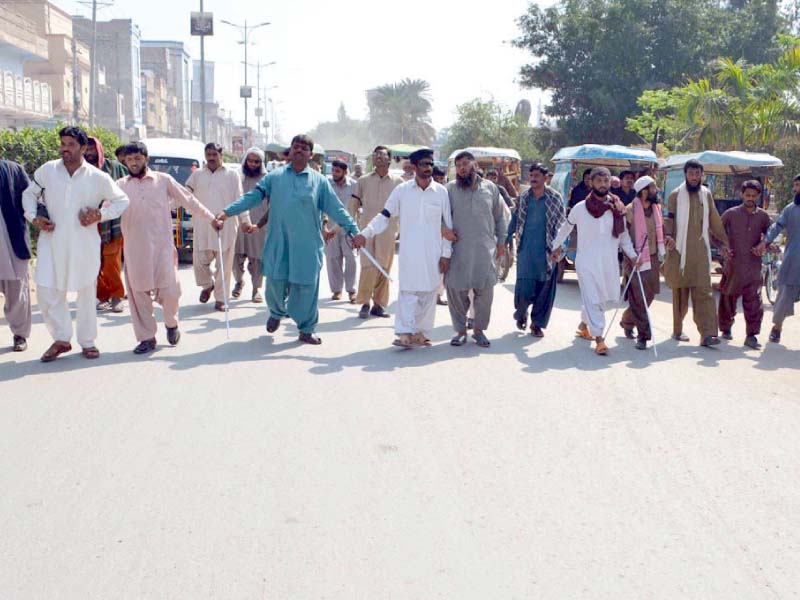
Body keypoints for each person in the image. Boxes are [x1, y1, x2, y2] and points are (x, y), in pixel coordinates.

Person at [218, 134, 359, 345]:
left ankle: (306, 329)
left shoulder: (319, 181)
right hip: (278, 242)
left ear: (311, 155)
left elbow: (336, 208)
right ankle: (276, 313)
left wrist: (353, 230)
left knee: (307, 288)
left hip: (307, 245)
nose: (299, 150)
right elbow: (252, 197)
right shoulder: (274, 177)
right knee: (274, 283)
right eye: (296, 147)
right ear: (290, 151)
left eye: (304, 147)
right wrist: (227, 212)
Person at [22, 126, 129, 362]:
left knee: (85, 291)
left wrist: (100, 214)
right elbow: (29, 194)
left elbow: (122, 200)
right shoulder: (48, 170)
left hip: (84, 243)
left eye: (70, 145)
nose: (65, 149)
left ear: (83, 147)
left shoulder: (97, 176)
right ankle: (61, 338)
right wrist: (34, 217)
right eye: (63, 144)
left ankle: (88, 342)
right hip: (52, 240)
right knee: (48, 290)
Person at [117, 142, 219, 354]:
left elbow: (188, 200)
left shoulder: (163, 181)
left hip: (162, 248)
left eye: (137, 158)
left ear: (146, 158)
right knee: (139, 295)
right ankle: (147, 338)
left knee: (171, 291)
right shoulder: (119, 186)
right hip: (134, 250)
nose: (133, 163)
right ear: (124, 162)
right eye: (129, 160)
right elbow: (106, 208)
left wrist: (211, 218)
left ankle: (171, 324)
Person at [352, 148, 452, 348]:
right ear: (414, 167)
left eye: (431, 164)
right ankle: (405, 333)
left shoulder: (441, 193)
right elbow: (385, 216)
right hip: (409, 252)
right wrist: (365, 233)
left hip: (433, 252)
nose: (429, 168)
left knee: (429, 292)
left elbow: (448, 225)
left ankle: (421, 333)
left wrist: (446, 253)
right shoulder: (402, 191)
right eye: (424, 164)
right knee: (408, 291)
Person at [551, 167, 639, 355]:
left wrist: (632, 256)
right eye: (599, 181)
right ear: (591, 183)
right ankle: (599, 338)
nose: (603, 185)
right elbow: (566, 228)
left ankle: (584, 324)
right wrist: (556, 246)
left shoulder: (617, 208)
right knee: (593, 299)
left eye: (606, 181)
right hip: (586, 262)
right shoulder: (580, 208)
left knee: (601, 298)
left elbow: (623, 237)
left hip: (608, 263)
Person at [663, 159, 730, 347]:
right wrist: (668, 236)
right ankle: (677, 330)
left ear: (702, 175)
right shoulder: (675, 196)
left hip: (700, 252)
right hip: (679, 251)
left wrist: (724, 242)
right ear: (685, 174)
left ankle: (708, 334)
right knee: (680, 294)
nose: (694, 177)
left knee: (704, 292)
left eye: (697, 173)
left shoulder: (706, 195)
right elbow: (669, 220)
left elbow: (714, 220)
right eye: (691, 173)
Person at [445, 151, 507, 348]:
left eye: (465, 163)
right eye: (458, 165)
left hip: (484, 250)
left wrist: (501, 243)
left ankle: (479, 331)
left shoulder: (491, 188)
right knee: (456, 291)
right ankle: (460, 331)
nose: (462, 167)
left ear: (476, 165)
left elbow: (500, 218)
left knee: (485, 292)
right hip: (458, 250)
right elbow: (439, 216)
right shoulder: (449, 190)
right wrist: (443, 231)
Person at [185, 143, 249, 312]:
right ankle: (207, 285)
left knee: (224, 265)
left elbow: (240, 199)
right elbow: (185, 195)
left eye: (214, 154)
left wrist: (245, 221)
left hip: (226, 225)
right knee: (199, 261)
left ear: (221, 155)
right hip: (202, 225)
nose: (211, 158)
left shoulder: (232, 175)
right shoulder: (197, 175)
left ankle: (221, 299)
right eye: (208, 154)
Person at [507, 163, 566, 338]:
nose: (533, 178)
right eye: (531, 175)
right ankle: (521, 313)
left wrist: (559, 247)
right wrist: (506, 238)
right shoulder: (524, 197)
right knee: (524, 288)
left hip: (547, 252)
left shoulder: (555, 199)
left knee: (544, 291)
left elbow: (562, 225)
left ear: (546, 178)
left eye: (537, 175)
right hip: (526, 251)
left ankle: (536, 324)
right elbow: (515, 219)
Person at [715, 180, 772, 349]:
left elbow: (770, 235)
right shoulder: (731, 214)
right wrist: (722, 248)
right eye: (747, 195)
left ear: (758, 197)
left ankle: (752, 335)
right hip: (733, 264)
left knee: (754, 300)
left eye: (753, 196)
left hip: (753, 266)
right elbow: (714, 232)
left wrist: (764, 246)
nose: (750, 198)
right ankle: (725, 328)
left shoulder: (763, 216)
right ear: (742, 194)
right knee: (728, 298)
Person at [351, 146, 404, 319]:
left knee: (383, 267)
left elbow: (405, 210)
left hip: (388, 232)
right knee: (368, 266)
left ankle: (379, 305)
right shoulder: (363, 181)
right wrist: (343, 227)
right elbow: (352, 206)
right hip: (366, 231)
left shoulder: (399, 183)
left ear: (390, 158)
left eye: (382, 154)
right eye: (375, 155)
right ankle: (365, 303)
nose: (378, 157)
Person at [619, 176, 667, 350]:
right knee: (639, 299)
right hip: (635, 260)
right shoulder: (630, 210)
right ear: (644, 191)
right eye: (654, 188)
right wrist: (632, 257)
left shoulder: (656, 209)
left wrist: (667, 238)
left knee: (649, 296)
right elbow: (623, 237)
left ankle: (626, 320)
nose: (657, 191)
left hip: (652, 258)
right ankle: (644, 336)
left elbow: (662, 229)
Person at [85, 136, 129, 313]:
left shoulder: (115, 168)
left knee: (112, 261)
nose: (89, 153)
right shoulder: (80, 171)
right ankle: (102, 295)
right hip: (88, 222)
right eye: (86, 150)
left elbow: (127, 188)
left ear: (99, 149)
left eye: (92, 149)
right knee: (94, 262)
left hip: (112, 223)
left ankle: (117, 295)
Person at [756, 174, 800, 343]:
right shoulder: (790, 209)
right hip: (793, 261)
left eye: (798, 185)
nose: (796, 189)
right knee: (783, 298)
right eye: (795, 185)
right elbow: (777, 226)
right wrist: (765, 241)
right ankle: (777, 328)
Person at [0, 158, 32, 352]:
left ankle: (19, 334)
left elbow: (29, 200)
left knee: (16, 289)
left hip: (11, 239)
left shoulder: (13, 169)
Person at [232, 148, 268, 304]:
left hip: (258, 225)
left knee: (257, 258)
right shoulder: (238, 177)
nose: (253, 164)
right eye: (250, 160)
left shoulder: (267, 179)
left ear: (261, 163)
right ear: (245, 160)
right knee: (236, 256)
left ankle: (256, 289)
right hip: (238, 223)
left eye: (256, 161)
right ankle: (239, 282)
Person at [323, 159, 358, 302]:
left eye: (338, 171)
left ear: (345, 172)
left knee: (351, 259)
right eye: (333, 170)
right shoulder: (327, 185)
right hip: (330, 228)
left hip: (348, 228)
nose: (334, 174)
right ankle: (337, 290)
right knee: (333, 259)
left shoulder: (354, 185)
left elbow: (357, 206)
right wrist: (324, 227)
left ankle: (351, 290)